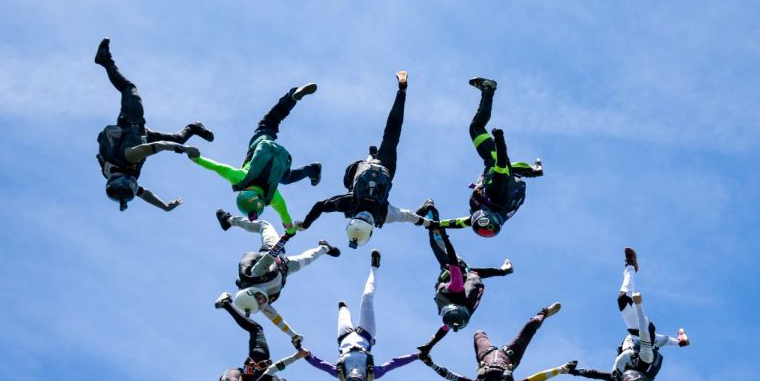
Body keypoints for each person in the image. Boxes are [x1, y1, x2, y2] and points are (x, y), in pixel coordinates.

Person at [296, 71, 436, 248]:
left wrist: (429, 224)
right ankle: (371, 156)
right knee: (351, 177)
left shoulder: (383, 214)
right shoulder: (347, 204)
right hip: (363, 167)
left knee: (393, 132)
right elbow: (320, 206)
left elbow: (408, 216)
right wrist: (306, 223)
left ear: (371, 229)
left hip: (386, 168)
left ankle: (402, 92)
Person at [94, 38, 214, 211]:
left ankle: (105, 60)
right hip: (142, 135)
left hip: (132, 121)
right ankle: (194, 127)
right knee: (177, 137)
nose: (136, 185)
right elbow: (144, 194)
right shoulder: (115, 176)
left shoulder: (128, 157)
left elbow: (158, 146)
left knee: (129, 88)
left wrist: (185, 149)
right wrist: (164, 206)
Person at [191, 85, 321, 232]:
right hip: (262, 146)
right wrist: (197, 159)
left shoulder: (272, 198)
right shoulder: (238, 178)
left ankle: (313, 169)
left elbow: (284, 213)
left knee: (286, 178)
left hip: (283, 159)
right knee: (271, 120)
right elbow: (217, 167)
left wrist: (289, 229)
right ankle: (291, 98)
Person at [565, 247, 690, 381]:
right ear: (638, 375)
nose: (625, 380)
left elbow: (595, 375)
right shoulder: (645, 360)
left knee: (655, 340)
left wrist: (574, 371)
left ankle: (680, 341)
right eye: (629, 380)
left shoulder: (617, 378)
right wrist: (638, 306)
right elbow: (644, 331)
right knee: (623, 300)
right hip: (642, 334)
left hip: (637, 340)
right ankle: (630, 266)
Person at [418, 304, 572, 381]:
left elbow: (450, 376)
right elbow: (538, 377)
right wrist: (560, 369)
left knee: (478, 333)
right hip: (510, 355)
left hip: (486, 354)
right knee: (529, 328)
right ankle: (544, 312)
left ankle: (460, 315)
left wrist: (431, 364)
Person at [302, 250, 418, 381]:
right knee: (367, 297)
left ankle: (344, 309)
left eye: (352, 377)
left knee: (343, 311)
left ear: (346, 380)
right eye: (360, 378)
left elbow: (319, 364)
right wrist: (416, 355)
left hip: (344, 338)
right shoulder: (374, 373)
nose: (356, 374)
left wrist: (304, 353)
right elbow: (395, 363)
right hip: (366, 334)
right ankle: (374, 268)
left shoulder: (339, 372)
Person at [438, 78, 544, 237]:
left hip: (504, 178)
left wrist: (435, 224)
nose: (473, 215)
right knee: (476, 128)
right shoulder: (495, 193)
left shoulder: (487, 214)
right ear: (488, 215)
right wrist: (499, 139)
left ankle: (533, 170)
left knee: (506, 170)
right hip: (496, 164)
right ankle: (488, 88)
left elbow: (461, 222)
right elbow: (502, 162)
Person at [217, 208, 339, 345]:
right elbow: (277, 320)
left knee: (265, 225)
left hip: (271, 250)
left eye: (259, 299)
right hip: (284, 268)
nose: (262, 301)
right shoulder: (260, 305)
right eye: (261, 303)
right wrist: (293, 335)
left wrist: (285, 237)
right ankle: (325, 248)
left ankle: (228, 220)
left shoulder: (256, 274)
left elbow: (271, 255)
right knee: (307, 259)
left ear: (251, 292)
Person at [416, 199, 513, 348]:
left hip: (467, 273)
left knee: (470, 272)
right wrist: (445, 237)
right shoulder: (456, 289)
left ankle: (503, 271)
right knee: (436, 237)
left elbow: (446, 328)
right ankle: (430, 208)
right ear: (454, 307)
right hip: (455, 266)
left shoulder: (460, 316)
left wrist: (430, 345)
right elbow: (454, 262)